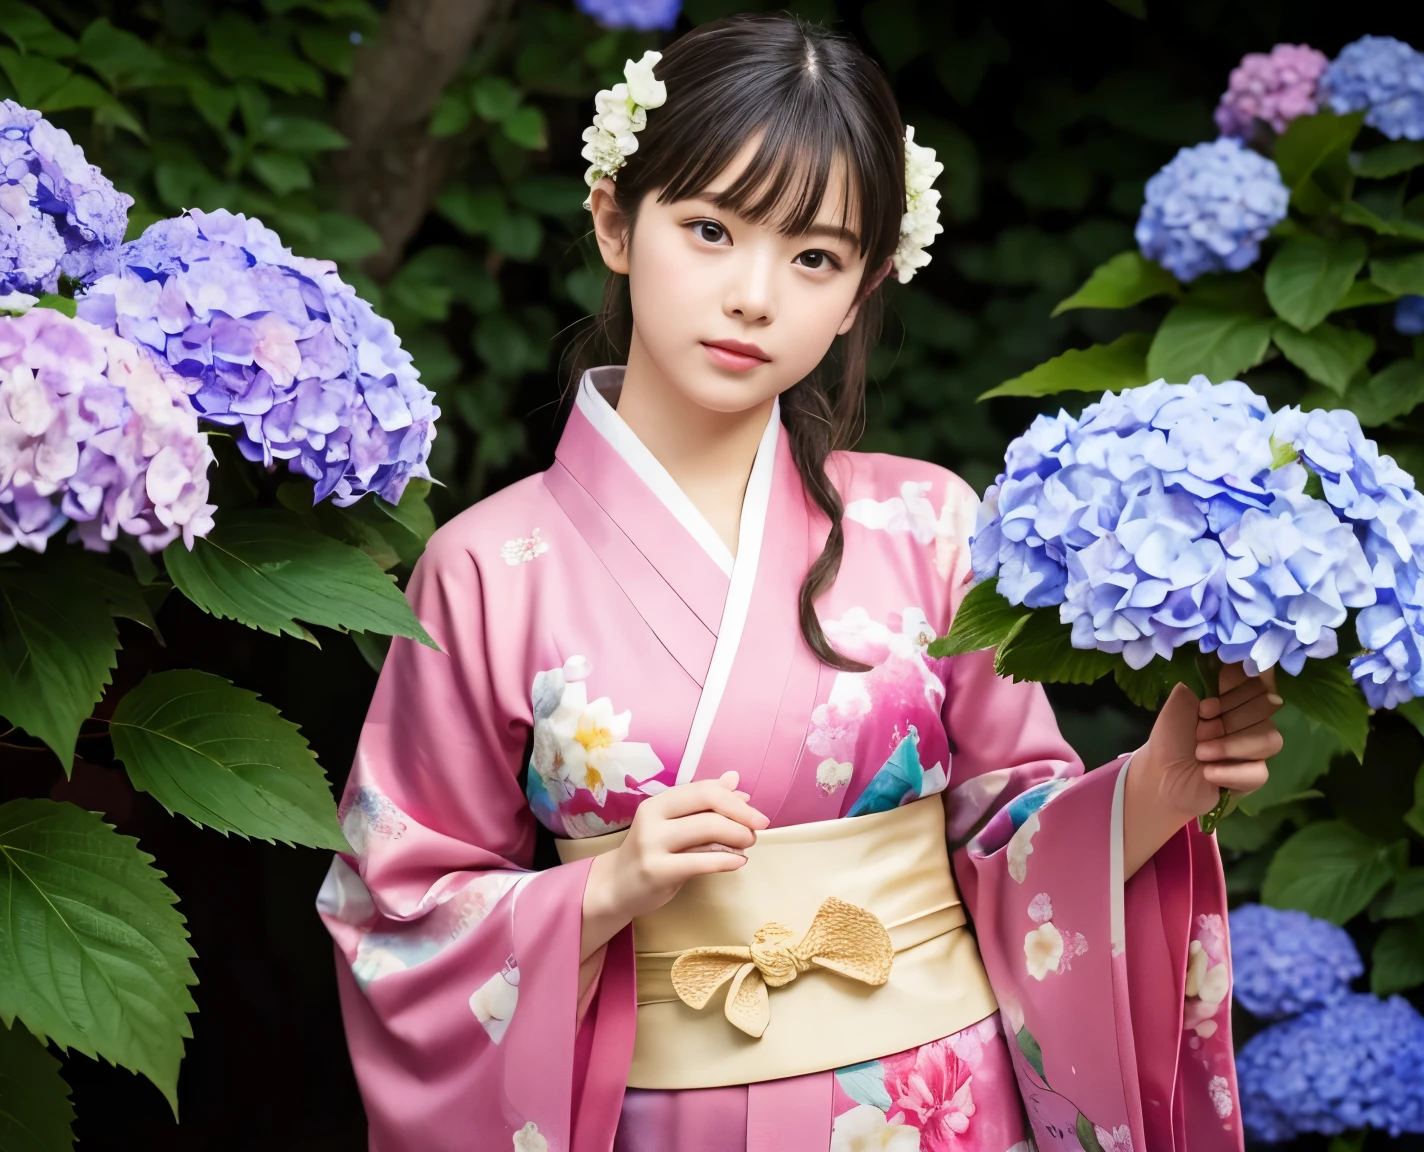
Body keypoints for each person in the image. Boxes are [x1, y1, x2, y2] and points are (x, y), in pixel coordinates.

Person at [319, 14, 1280, 1151]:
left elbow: (1010, 842)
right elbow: (398, 908)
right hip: (655, 1110)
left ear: (867, 282)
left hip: (938, 1107)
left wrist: (1159, 787)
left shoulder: (929, 522)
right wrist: (604, 893)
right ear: (616, 221)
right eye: (711, 228)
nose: (756, 296)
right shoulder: (483, 567)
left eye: (814, 256)